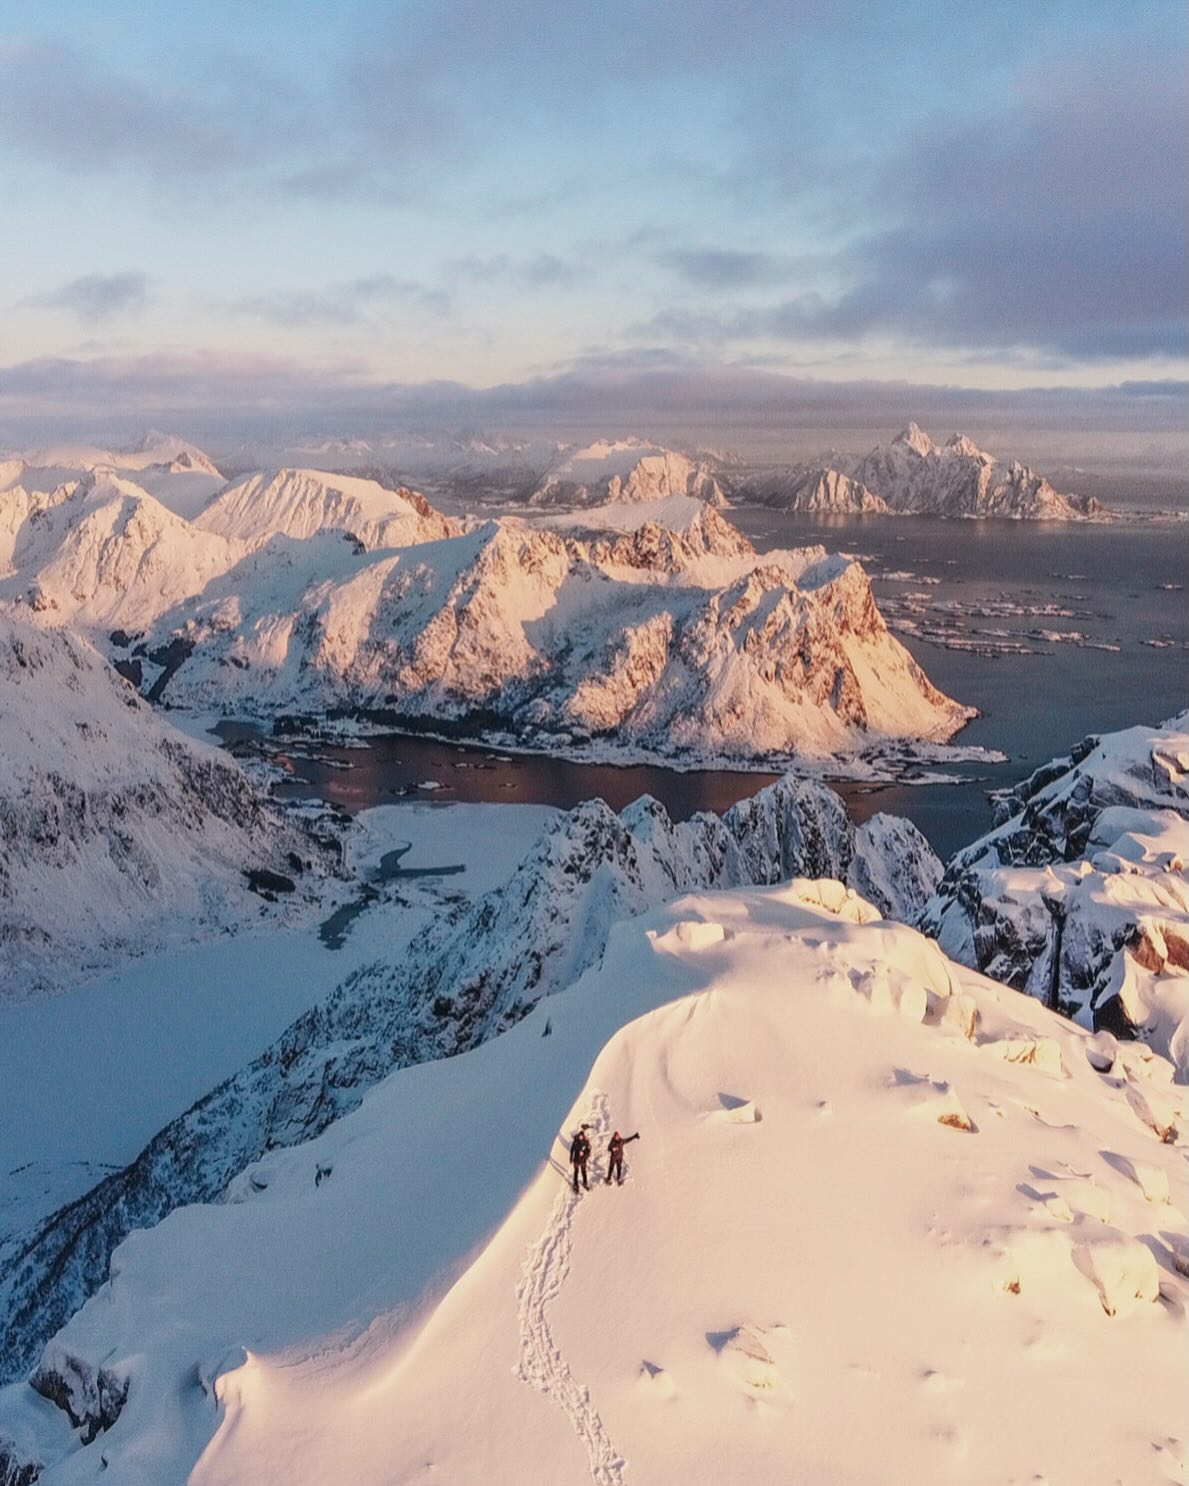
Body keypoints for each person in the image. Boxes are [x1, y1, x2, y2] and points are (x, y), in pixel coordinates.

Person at [569, 1125, 591, 1192]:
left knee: (584, 1172)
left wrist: (585, 1155)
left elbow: (588, 1151)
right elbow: (572, 1150)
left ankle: (585, 1183)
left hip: (583, 1160)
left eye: (582, 1136)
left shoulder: (586, 1142)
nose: (581, 1137)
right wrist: (571, 1158)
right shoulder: (575, 1142)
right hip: (576, 1160)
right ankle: (575, 1185)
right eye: (580, 1136)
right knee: (576, 1172)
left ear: (583, 1136)